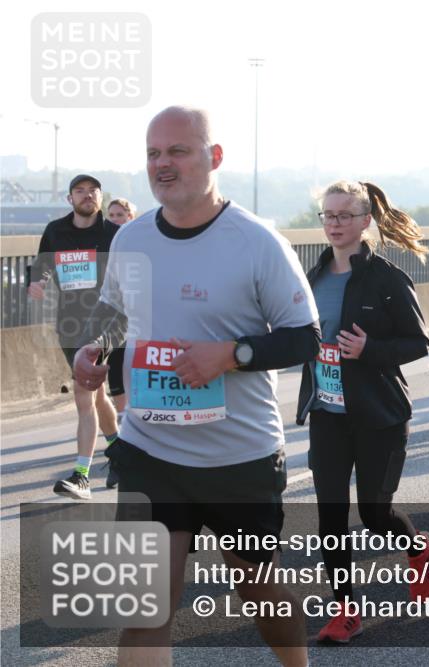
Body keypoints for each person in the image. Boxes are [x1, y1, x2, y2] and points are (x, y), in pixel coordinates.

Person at [74, 106, 318, 666]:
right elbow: (115, 313)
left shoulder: (257, 241)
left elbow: (305, 338)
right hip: (150, 451)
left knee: (258, 590)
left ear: (214, 157)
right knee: (145, 609)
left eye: (178, 151)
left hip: (239, 456)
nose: (163, 164)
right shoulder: (132, 238)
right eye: (153, 154)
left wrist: (230, 355)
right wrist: (96, 349)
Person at [295, 180, 429, 643]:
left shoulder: (387, 278)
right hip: (327, 414)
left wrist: (369, 349)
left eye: (345, 215)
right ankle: (345, 611)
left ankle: (418, 549)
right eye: (328, 215)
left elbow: (417, 342)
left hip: (379, 415)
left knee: (375, 514)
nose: (335, 224)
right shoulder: (312, 276)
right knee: (331, 519)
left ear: (365, 220)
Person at [28, 174, 119, 499]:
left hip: (103, 324)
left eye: (93, 191)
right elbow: (41, 265)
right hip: (68, 324)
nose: (87, 195)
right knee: (97, 394)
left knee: (84, 392)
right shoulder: (55, 231)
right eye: (80, 191)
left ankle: (81, 476)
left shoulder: (114, 234)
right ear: (70, 199)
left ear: (101, 197)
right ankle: (119, 450)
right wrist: (37, 281)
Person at [105, 199, 138, 416]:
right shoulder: (105, 240)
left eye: (120, 215)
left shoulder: (140, 239)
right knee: (115, 360)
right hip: (113, 310)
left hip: (137, 310)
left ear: (130, 217)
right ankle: (122, 415)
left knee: (134, 359)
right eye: (111, 215)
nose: (115, 219)